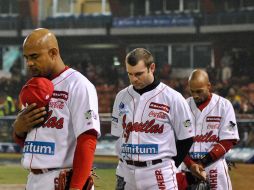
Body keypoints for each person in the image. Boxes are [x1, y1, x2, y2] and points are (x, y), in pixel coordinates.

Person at [12, 28, 100, 190]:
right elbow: (31, 142)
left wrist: (76, 187)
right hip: (34, 179)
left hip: (63, 180)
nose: (29, 63)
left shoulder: (78, 84)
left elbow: (87, 140)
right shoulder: (31, 88)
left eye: (34, 57)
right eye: (26, 58)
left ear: (53, 53)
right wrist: (18, 130)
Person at [111, 48, 194, 190]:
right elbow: (118, 135)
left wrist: (170, 165)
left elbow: (186, 138)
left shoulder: (172, 98)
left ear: (152, 68)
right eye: (130, 74)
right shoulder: (121, 96)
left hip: (159, 172)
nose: (134, 79)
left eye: (139, 74)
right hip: (126, 173)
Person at [182, 69, 239, 190]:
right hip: (188, 167)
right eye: (192, 91)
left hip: (214, 165)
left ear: (209, 86)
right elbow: (178, 141)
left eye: (199, 91)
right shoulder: (183, 106)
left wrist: (201, 163)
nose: (195, 95)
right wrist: (190, 164)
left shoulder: (224, 105)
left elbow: (228, 140)